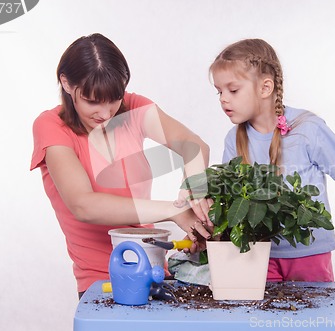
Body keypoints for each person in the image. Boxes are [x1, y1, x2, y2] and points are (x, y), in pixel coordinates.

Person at [30, 33, 211, 297]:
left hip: (156, 271)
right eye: (92, 101)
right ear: (66, 84)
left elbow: (193, 145)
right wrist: (174, 211)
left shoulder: (133, 107)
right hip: (104, 281)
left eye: (114, 99)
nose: (105, 113)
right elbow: (84, 205)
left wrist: (193, 192)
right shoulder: (51, 127)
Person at [209, 38, 335, 282]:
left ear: (265, 88)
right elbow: (229, 198)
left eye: (233, 90)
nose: (223, 99)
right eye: (219, 92)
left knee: (312, 317)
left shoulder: (307, 128)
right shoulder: (234, 139)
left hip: (309, 252)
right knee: (262, 316)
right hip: (259, 253)